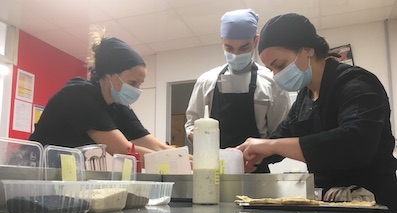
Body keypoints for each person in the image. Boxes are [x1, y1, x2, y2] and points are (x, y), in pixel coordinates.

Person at [236, 13, 397, 213]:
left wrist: (272, 145)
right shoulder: (305, 98)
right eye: (271, 69)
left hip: (374, 205)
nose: (276, 76)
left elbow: (355, 143)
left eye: (279, 65)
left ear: (307, 50)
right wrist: (249, 157)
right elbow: (280, 140)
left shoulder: (357, 84)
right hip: (330, 204)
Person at [29, 27, 173, 158]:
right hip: (30, 167)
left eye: (139, 84)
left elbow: (155, 145)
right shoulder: (79, 95)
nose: (136, 90)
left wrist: (184, 157)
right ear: (110, 75)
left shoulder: (117, 106)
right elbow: (123, 150)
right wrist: (175, 161)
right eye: (132, 83)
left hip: (59, 170)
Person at [185, 9, 290, 172]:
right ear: (222, 42)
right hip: (215, 170)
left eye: (243, 47)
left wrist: (256, 157)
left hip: (256, 171)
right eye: (229, 47)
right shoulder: (206, 81)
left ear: (255, 41)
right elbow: (191, 125)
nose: (235, 54)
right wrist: (206, 144)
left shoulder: (272, 82)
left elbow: (281, 134)